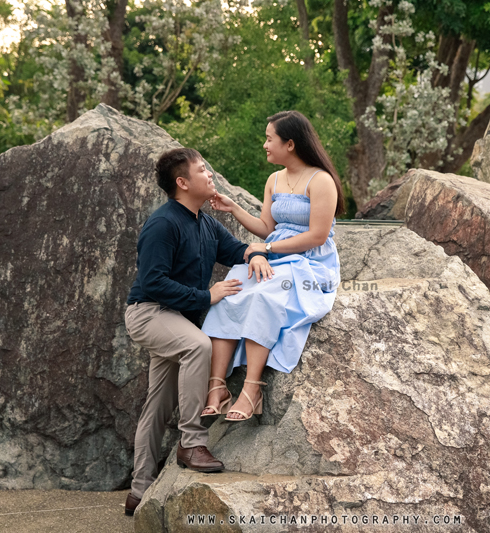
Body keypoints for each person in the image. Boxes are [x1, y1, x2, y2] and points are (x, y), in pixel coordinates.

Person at [122, 147, 272, 516]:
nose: (210, 175)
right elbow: (153, 282)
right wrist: (206, 296)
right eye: (202, 170)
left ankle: (138, 492)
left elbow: (235, 248)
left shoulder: (204, 222)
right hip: (149, 314)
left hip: (177, 319)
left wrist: (254, 255)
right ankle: (192, 441)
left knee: (157, 406)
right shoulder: (163, 224)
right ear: (182, 182)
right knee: (198, 347)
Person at [200, 110, 344, 422]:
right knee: (233, 289)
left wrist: (266, 248)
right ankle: (218, 387)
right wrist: (235, 208)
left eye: (270, 139)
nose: (265, 145)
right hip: (277, 255)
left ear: (290, 144)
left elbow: (317, 235)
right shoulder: (274, 180)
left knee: (265, 296)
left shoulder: (322, 181)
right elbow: (266, 226)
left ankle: (252, 390)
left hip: (310, 262)